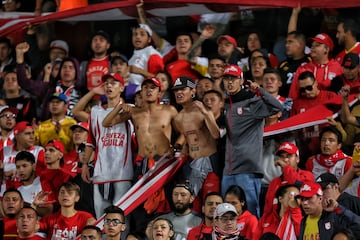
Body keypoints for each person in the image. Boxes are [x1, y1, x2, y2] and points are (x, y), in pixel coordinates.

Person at [221, 64, 283, 218]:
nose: (230, 82)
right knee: (226, 213)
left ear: (241, 80)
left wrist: (259, 90)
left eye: (234, 79)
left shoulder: (252, 102)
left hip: (248, 170)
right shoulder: (225, 105)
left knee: (250, 213)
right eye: (227, 78)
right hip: (228, 169)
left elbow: (277, 106)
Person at [82, 73, 133, 219]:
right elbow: (91, 141)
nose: (109, 85)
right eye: (106, 83)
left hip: (123, 173)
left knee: (122, 221)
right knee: (101, 220)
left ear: (122, 88)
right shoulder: (95, 111)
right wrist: (85, 164)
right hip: (100, 173)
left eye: (114, 83)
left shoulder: (130, 110)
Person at [173, 76, 220, 203]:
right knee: (193, 204)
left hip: (210, 163)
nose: (179, 93)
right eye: (176, 90)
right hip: (192, 163)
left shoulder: (203, 108)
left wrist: (206, 113)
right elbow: (188, 140)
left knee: (210, 202)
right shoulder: (179, 117)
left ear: (193, 91)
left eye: (182, 89)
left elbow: (216, 135)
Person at [263, 142, 314, 217]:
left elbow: (296, 183)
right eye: (282, 157)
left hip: (300, 222)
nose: (285, 160)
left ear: (297, 159)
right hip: (278, 224)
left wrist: (286, 167)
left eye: (289, 156)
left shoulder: (307, 175)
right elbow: (268, 210)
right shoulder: (274, 183)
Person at [289, 33, 343, 100]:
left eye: (317, 45)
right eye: (312, 45)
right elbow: (293, 95)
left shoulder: (338, 68)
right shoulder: (303, 69)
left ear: (326, 49)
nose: (312, 47)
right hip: (307, 107)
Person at [0, 121, 46, 194]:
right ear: (17, 135)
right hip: (5, 192)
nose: (32, 137)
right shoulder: (5, 151)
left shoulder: (39, 151)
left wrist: (17, 173)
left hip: (29, 192)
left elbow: (40, 175)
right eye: (27, 134)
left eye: (33, 133)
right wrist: (3, 172)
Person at [15, 151, 54, 216]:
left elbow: (48, 211)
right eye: (18, 167)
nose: (21, 170)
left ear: (33, 166)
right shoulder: (17, 189)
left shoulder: (44, 184)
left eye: (24, 166)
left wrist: (22, 204)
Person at [278, 30, 310, 97]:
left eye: (290, 42)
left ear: (301, 44)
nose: (286, 45)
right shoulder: (282, 65)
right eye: (286, 42)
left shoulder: (310, 63)